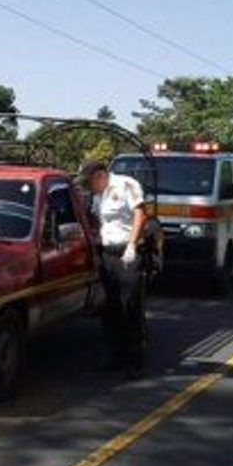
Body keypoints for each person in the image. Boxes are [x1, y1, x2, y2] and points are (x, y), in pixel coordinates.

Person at [78, 160, 148, 379]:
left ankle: (135, 359)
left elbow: (140, 214)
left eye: (90, 182)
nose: (89, 187)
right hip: (107, 253)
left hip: (126, 253)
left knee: (130, 303)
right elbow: (98, 221)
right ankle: (113, 355)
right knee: (111, 305)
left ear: (100, 176)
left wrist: (132, 245)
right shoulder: (98, 195)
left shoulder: (127, 184)